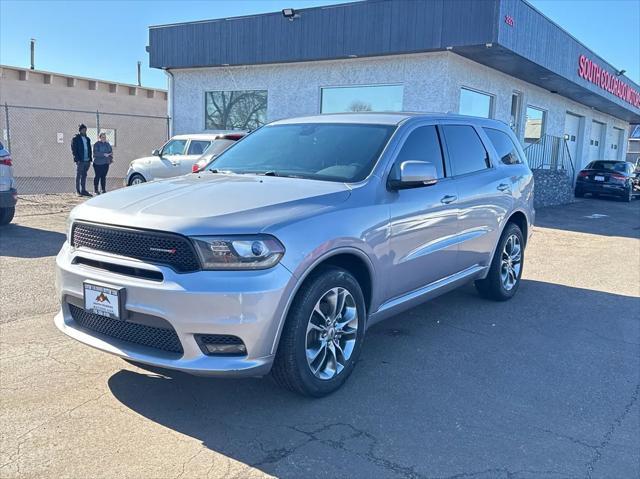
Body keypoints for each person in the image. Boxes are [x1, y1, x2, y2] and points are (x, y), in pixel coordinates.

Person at [71, 124, 93, 196]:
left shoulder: (87, 139)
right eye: (83, 130)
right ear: (80, 130)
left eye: (85, 130)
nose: (85, 131)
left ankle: (83, 190)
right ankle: (78, 191)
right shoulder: (76, 138)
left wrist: (90, 159)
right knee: (78, 175)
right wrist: (77, 159)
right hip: (80, 160)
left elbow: (89, 149)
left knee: (84, 175)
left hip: (87, 160)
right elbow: (74, 149)